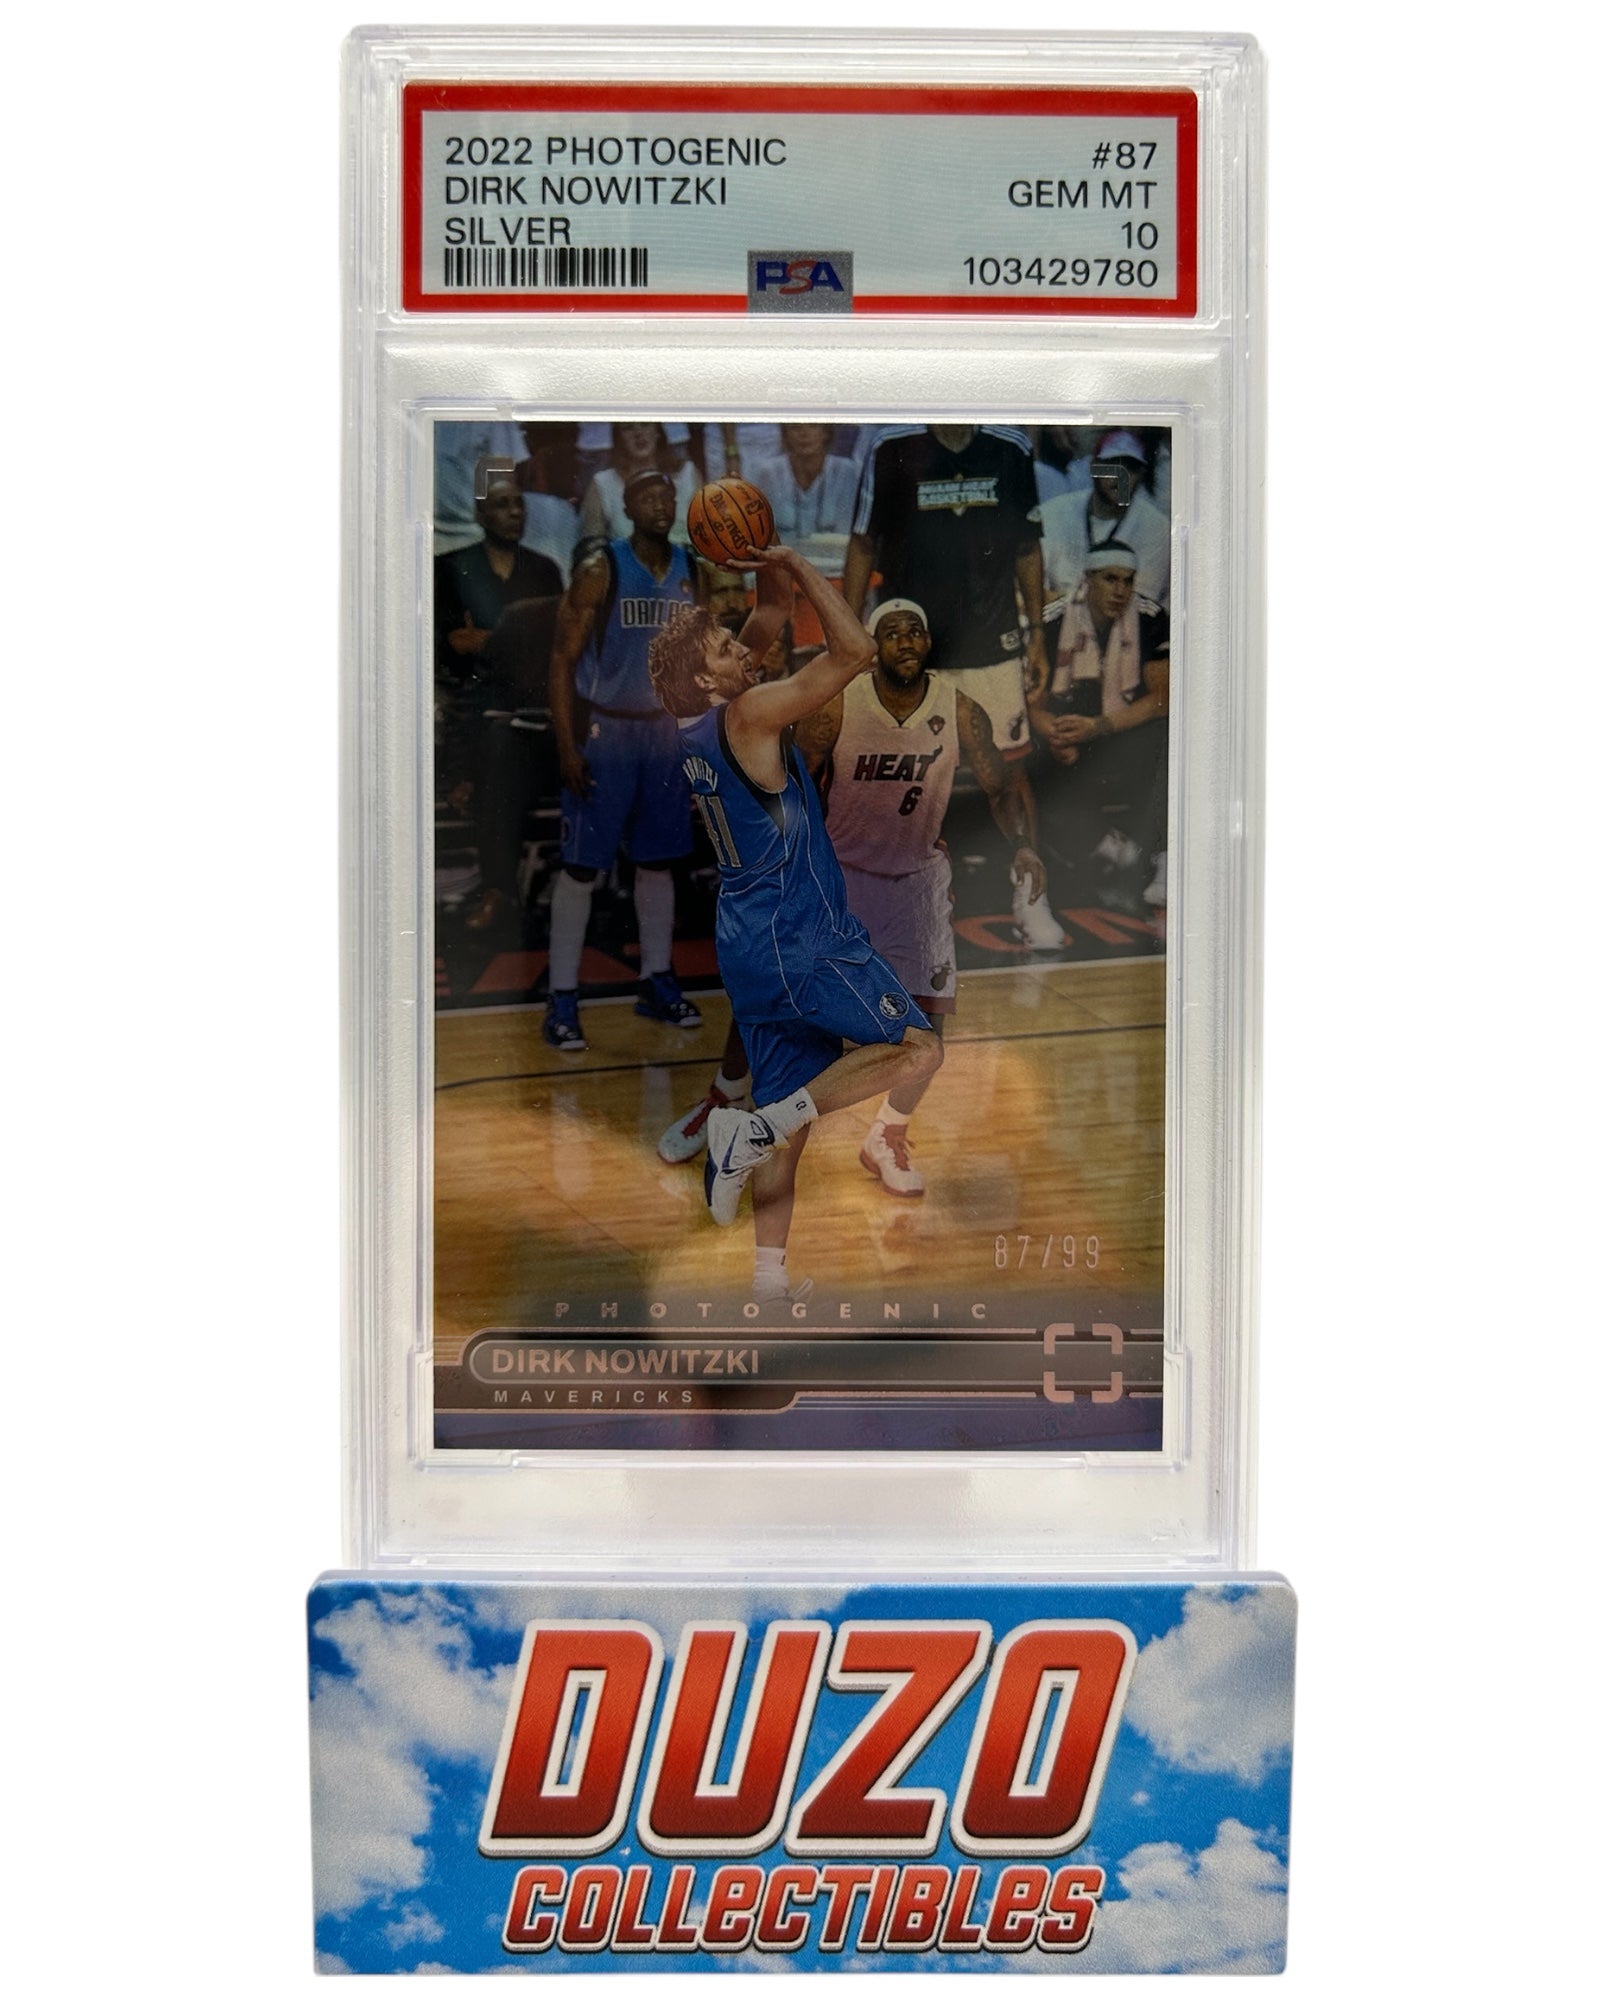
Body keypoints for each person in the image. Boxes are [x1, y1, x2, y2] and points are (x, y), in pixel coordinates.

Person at [648, 548, 944, 1302]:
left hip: (747, 942)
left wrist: (762, 557)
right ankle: (751, 1128)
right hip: (801, 935)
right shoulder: (749, 713)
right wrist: (798, 560)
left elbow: (772, 614)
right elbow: (856, 651)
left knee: (792, 1121)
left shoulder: (695, 719)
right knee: (917, 1051)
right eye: (726, 649)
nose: (743, 650)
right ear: (708, 680)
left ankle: (768, 1284)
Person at [842, 423, 1066, 949]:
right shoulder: (891, 447)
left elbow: (1026, 548)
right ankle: (895, 903)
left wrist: (1036, 635)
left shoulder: (1010, 448)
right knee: (900, 776)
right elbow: (862, 544)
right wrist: (848, 638)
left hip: (993, 642)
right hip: (911, 645)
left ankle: (1030, 898)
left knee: (1008, 772)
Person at [543, 467, 706, 1050]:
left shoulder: (692, 571)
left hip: (663, 734)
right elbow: (561, 660)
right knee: (582, 867)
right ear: (627, 509)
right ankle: (562, 998)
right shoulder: (600, 569)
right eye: (647, 497)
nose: (660, 504)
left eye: (668, 495)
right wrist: (566, 744)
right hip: (606, 730)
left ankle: (656, 981)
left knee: (658, 863)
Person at [434, 474, 566, 931]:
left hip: (534, 703)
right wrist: (509, 641)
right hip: (477, 701)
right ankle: (499, 889)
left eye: (519, 504)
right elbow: (450, 643)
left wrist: (489, 639)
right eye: (502, 505)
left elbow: (553, 648)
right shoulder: (452, 568)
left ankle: (517, 889)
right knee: (495, 750)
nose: (514, 513)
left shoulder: (544, 570)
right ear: (480, 514)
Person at [1029, 540, 1171, 910]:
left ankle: (1160, 857)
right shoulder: (1053, 618)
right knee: (1028, 752)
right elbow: (1029, 703)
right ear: (1088, 578)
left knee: (1165, 740)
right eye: (1110, 579)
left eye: (1128, 580)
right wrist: (1053, 732)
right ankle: (1114, 851)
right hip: (1066, 729)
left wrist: (1098, 726)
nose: (1120, 590)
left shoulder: (1150, 616)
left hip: (1117, 729)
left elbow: (1162, 698)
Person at [1040, 429, 1171, 613]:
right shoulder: (1053, 513)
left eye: (1131, 468)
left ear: (1142, 474)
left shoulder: (1156, 527)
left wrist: (1062, 600)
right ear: (1093, 467)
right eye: (1112, 465)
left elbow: (1133, 605)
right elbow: (1035, 590)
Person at [578, 422, 702, 546]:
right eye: (628, 428)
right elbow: (592, 544)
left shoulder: (688, 474)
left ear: (657, 432)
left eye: (645, 425)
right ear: (619, 438)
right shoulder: (602, 483)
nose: (638, 434)